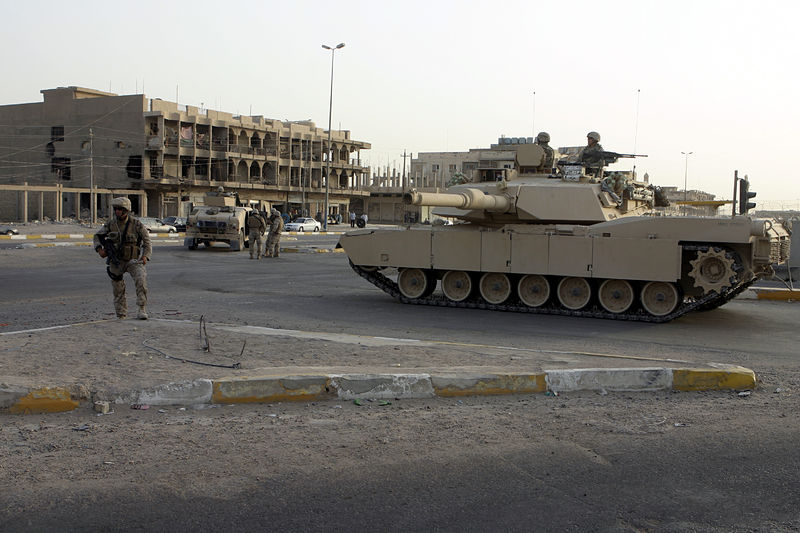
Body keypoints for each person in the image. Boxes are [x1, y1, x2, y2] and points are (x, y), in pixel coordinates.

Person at [93, 197, 152, 320]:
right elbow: (97, 236)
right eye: (116, 209)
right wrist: (99, 249)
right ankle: (121, 314)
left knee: (141, 281)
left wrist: (145, 256)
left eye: (120, 209)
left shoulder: (136, 224)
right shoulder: (111, 224)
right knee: (118, 288)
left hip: (133, 260)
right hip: (117, 261)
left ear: (126, 210)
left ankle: (142, 308)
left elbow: (147, 242)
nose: (117, 211)